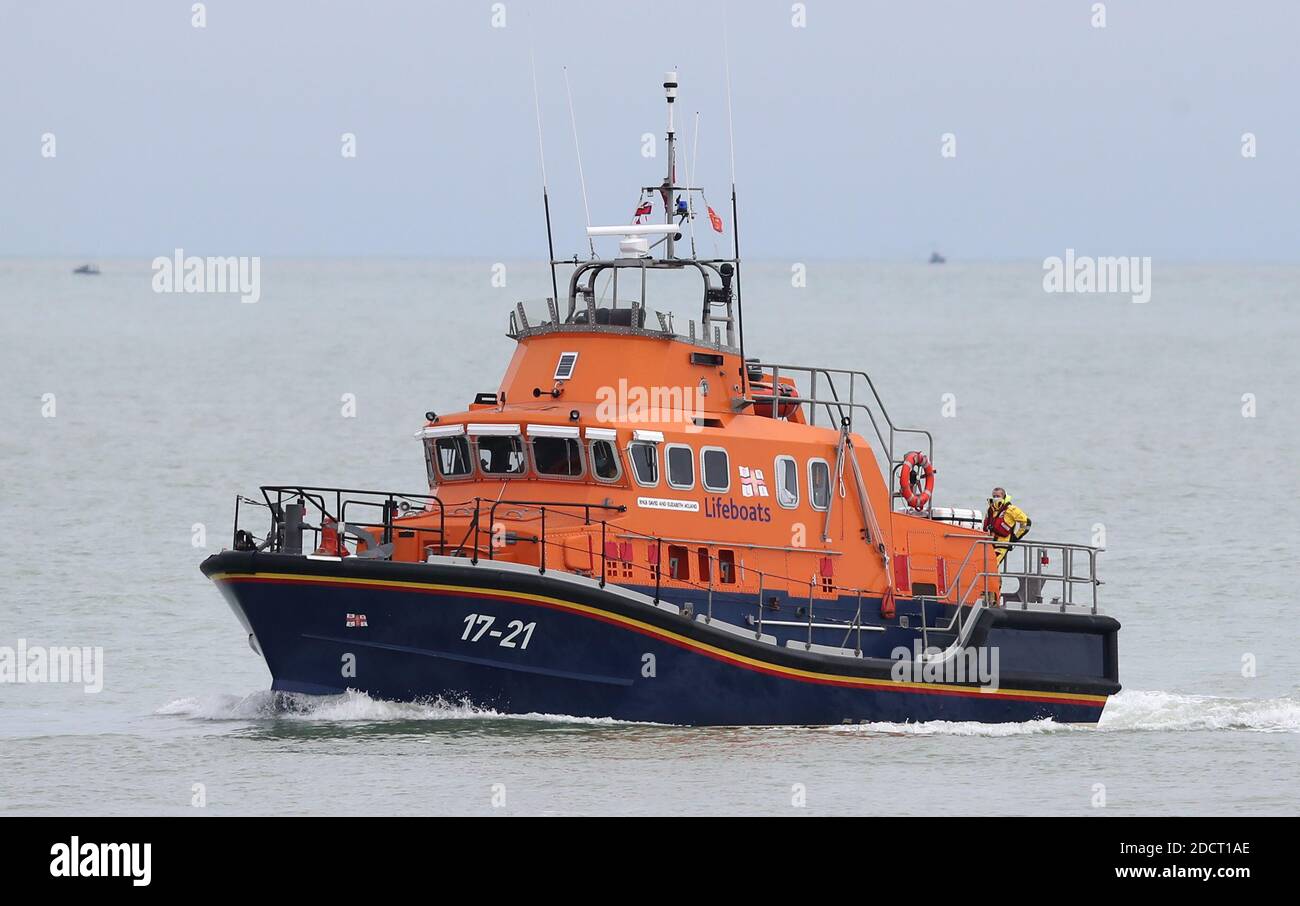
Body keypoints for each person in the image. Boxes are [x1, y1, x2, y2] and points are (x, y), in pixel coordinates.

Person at [983, 487, 1031, 568]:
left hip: (1001, 545)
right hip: (989, 543)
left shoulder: (1011, 509)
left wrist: (1015, 537)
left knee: (991, 566)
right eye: (994, 496)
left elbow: (1026, 523)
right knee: (983, 564)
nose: (995, 498)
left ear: (1004, 497)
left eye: (998, 496)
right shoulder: (990, 509)